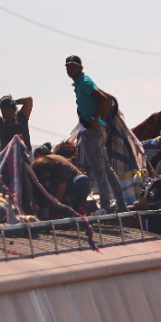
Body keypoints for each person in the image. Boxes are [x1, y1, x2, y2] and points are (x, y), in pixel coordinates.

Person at [65, 55, 126, 212]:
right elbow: (108, 98)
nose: (71, 69)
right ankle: (120, 205)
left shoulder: (84, 82)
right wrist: (100, 119)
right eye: (68, 66)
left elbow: (105, 99)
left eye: (73, 66)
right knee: (105, 168)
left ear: (81, 68)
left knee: (99, 170)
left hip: (92, 132)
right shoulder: (82, 82)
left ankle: (106, 206)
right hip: (94, 130)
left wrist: (95, 119)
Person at [32, 143, 91, 213]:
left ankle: (79, 210)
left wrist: (46, 208)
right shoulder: (36, 166)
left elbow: (60, 191)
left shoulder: (61, 166)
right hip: (53, 188)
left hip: (69, 185)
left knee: (83, 180)